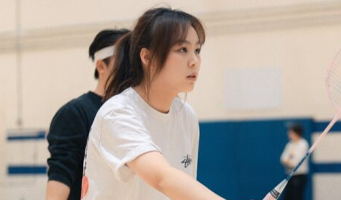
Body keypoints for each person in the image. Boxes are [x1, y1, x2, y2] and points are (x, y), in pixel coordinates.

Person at [83, 7, 223, 200]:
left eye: (197, 50)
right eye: (183, 49)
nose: (194, 61)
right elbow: (162, 178)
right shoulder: (117, 113)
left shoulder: (186, 116)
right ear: (147, 57)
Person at [46, 28, 129, 200]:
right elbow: (60, 174)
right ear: (101, 66)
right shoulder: (75, 113)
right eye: (123, 63)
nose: (130, 71)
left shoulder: (133, 114)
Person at [280, 123, 309, 200]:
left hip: (299, 175)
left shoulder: (303, 144)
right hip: (289, 175)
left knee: (297, 197)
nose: (288, 133)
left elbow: (296, 162)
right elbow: (283, 158)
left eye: (290, 132)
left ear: (296, 133)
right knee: (287, 197)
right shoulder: (290, 144)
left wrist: (289, 161)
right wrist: (288, 160)